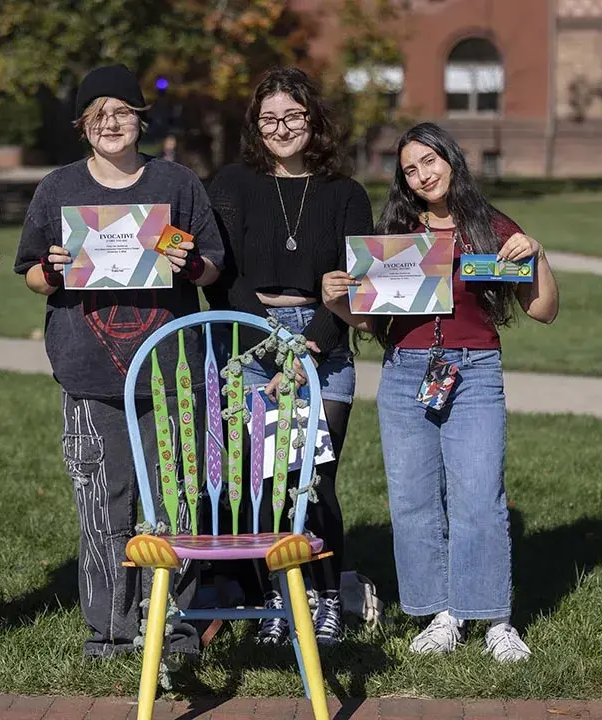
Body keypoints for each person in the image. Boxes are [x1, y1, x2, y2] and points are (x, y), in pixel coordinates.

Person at [322, 122, 559, 662]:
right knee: (413, 500)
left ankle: (495, 617)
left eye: (430, 161)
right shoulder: (397, 235)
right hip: (406, 373)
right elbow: (365, 323)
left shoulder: (492, 227)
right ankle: (442, 613)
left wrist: (537, 255)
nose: (423, 174)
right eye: (410, 169)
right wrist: (337, 299)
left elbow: (544, 310)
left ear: (452, 160)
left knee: (479, 496)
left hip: (474, 371)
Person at [14, 64, 223, 659]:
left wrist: (189, 264)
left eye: (123, 112)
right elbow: (31, 272)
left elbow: (213, 267)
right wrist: (51, 270)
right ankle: (110, 629)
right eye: (98, 115)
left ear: (141, 119)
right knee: (103, 501)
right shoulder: (58, 189)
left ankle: (177, 626)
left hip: (170, 370)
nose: (111, 124)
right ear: (83, 126)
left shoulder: (176, 183)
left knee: (175, 499)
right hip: (89, 371)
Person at [205, 66, 373, 646]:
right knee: (268, 480)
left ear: (313, 120)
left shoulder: (346, 193)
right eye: (269, 118)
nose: (281, 128)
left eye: (293, 116)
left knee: (317, 479)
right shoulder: (231, 182)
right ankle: (279, 597)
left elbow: (358, 281)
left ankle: (326, 599)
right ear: (256, 124)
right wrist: (273, 348)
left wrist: (313, 343)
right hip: (252, 338)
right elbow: (221, 276)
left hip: (324, 343)